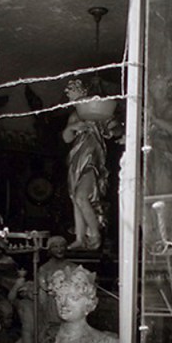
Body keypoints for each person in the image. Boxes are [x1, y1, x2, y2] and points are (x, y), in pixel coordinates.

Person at [61, 79, 122, 251]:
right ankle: (80, 237)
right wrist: (73, 127)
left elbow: (115, 128)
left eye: (71, 89)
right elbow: (66, 138)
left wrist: (112, 130)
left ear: (82, 92)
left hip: (92, 160)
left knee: (81, 196)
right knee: (75, 198)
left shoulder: (97, 113)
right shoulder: (75, 116)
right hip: (76, 161)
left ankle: (95, 233)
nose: (67, 93)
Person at [41, 265, 119, 343]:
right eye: (60, 297)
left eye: (73, 298)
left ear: (90, 304)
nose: (64, 303)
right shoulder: (45, 338)